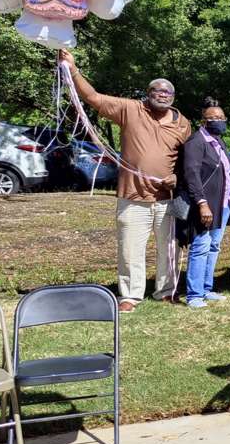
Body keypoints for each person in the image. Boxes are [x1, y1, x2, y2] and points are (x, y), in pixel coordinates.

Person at [59, 48, 191, 312]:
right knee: (130, 249)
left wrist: (177, 177)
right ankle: (130, 295)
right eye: (157, 91)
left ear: (173, 97)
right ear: (148, 94)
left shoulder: (182, 123)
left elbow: (189, 160)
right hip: (132, 197)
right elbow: (93, 97)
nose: (162, 94)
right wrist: (72, 69)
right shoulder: (130, 109)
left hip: (167, 200)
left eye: (168, 92)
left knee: (170, 248)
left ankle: (166, 291)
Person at [179, 98, 230, 309]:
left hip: (223, 203)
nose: (218, 121)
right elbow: (191, 174)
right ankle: (194, 295)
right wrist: (202, 203)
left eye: (221, 117)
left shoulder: (218, 141)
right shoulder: (196, 142)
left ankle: (206, 288)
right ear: (203, 120)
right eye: (213, 118)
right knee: (201, 246)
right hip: (205, 204)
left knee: (213, 246)